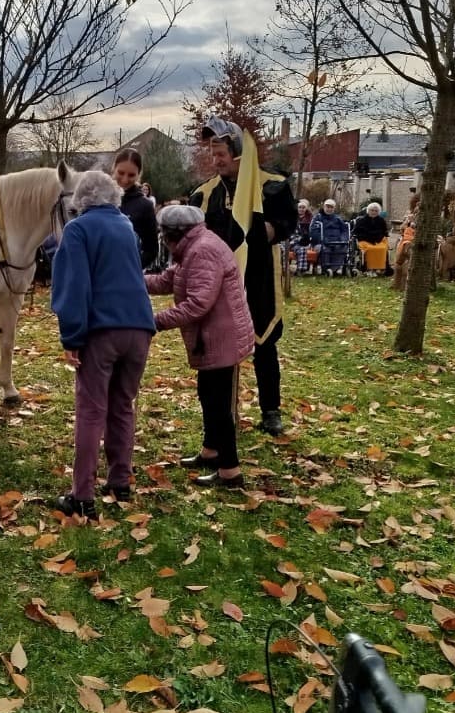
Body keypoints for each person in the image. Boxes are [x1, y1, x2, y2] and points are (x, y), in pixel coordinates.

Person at [50, 170, 155, 520]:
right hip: (139, 327)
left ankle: (82, 496)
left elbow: (73, 286)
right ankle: (120, 481)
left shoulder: (78, 230)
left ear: (80, 199)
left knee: (91, 411)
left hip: (102, 330)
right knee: (123, 405)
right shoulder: (126, 226)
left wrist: (71, 336)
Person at [189, 116, 296, 436]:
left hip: (259, 275)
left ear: (238, 152)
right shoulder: (204, 194)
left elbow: (289, 221)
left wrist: (269, 229)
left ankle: (271, 410)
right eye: (213, 153)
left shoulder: (272, 185)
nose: (215, 160)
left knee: (264, 342)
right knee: (218, 344)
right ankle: (222, 413)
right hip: (219, 280)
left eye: (221, 153)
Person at [146, 206, 254, 488]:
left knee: (219, 404)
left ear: (173, 234)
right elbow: (168, 280)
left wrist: (152, 321)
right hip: (212, 338)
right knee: (207, 395)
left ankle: (230, 471)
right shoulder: (192, 247)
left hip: (221, 337)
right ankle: (211, 450)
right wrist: (132, 281)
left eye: (163, 234)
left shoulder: (201, 251)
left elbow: (197, 303)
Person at [111, 148, 159, 268]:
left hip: (126, 279)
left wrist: (131, 269)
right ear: (113, 169)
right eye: (121, 173)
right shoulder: (99, 200)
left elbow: (151, 250)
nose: (125, 180)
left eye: (131, 175)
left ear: (139, 174)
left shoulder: (145, 206)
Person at [353, 201, 390, 276]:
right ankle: (369, 268)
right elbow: (357, 232)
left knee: (382, 248)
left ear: (378, 212)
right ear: (368, 211)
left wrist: (383, 235)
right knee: (370, 248)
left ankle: (379, 268)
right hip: (365, 239)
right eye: (372, 210)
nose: (373, 212)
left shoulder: (381, 220)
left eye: (376, 211)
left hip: (378, 240)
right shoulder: (361, 220)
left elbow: (384, 231)